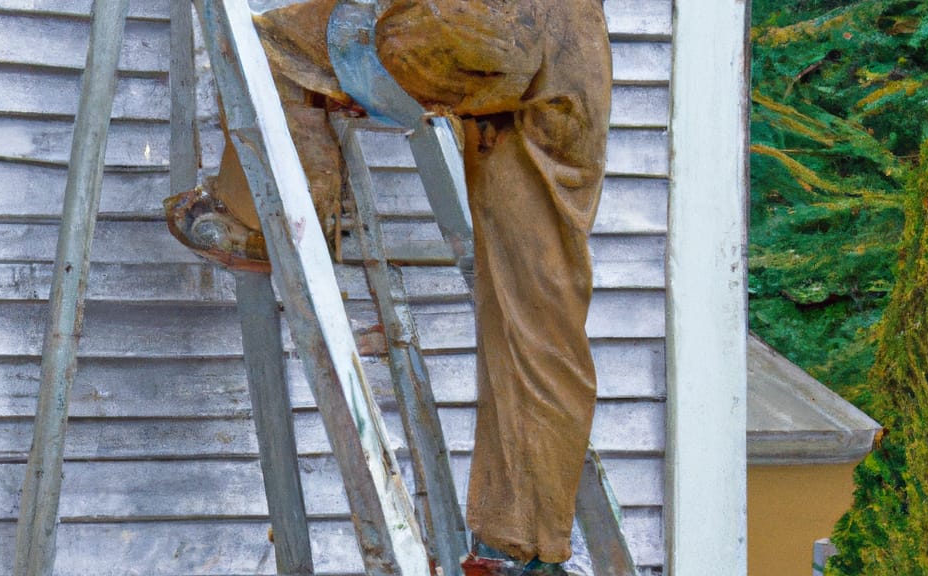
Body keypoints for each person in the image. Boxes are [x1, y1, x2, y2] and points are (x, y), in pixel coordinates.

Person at [165, 1, 612, 572]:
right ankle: (521, 547)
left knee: (277, 49)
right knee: (540, 303)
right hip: (573, 43)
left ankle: (267, 224)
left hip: (481, 19)